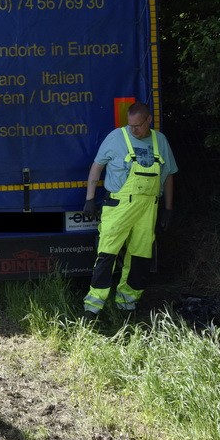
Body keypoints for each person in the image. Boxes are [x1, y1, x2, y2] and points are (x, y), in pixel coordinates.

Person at [82, 101, 177, 318]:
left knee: (140, 257)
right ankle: (93, 307)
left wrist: (168, 209)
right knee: (106, 255)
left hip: (148, 208)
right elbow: (97, 166)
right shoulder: (116, 137)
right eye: (131, 126)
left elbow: (169, 175)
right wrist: (90, 198)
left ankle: (127, 304)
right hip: (118, 207)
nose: (134, 130)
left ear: (148, 120)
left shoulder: (159, 141)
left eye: (138, 126)